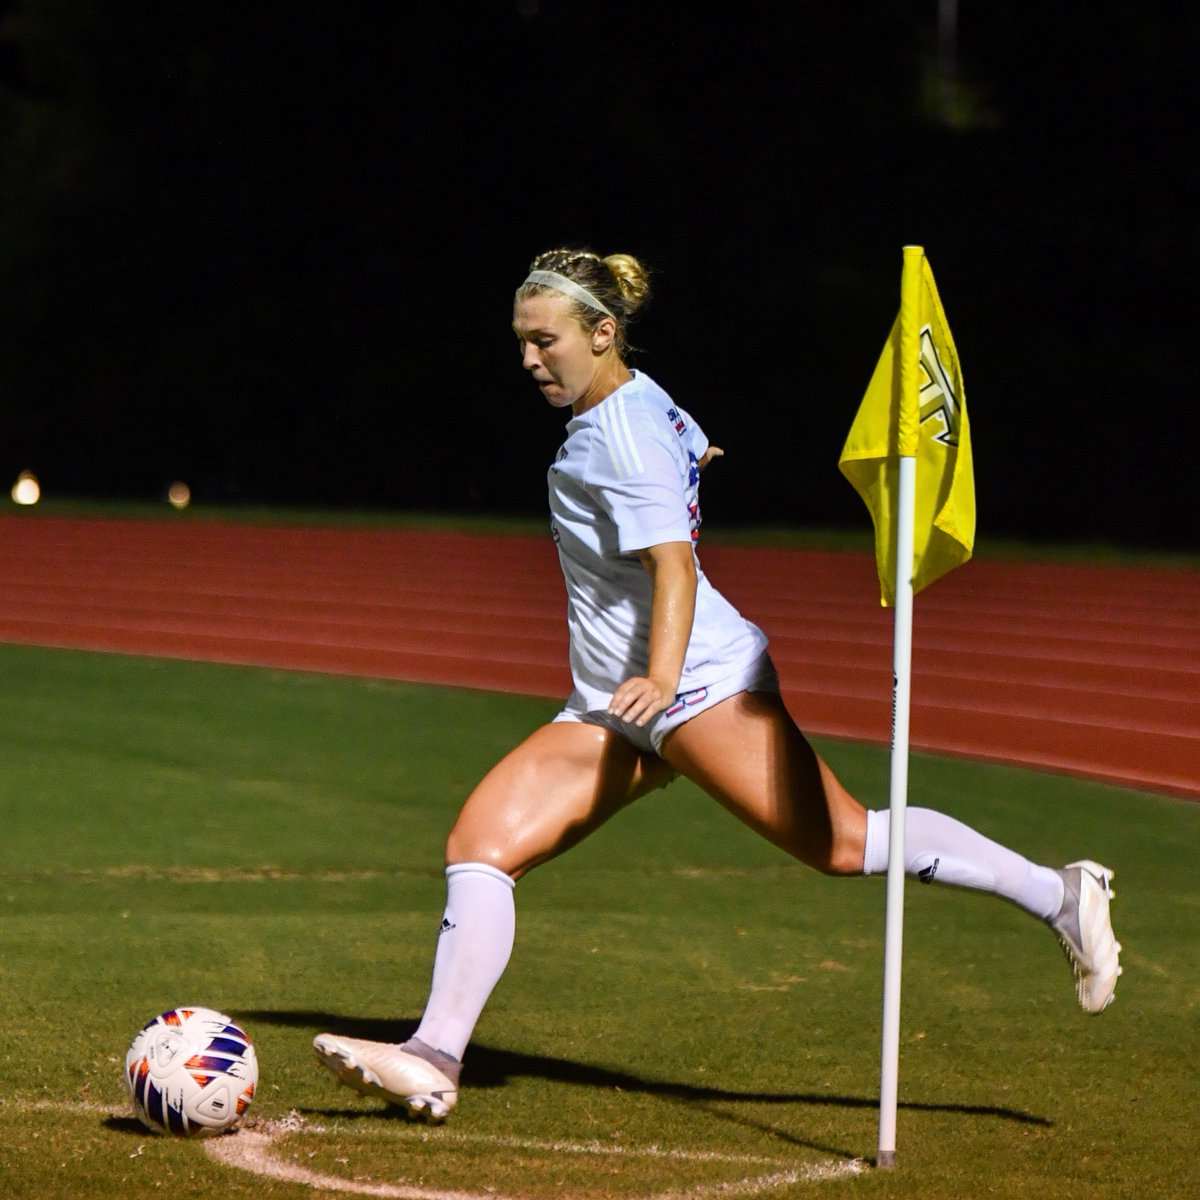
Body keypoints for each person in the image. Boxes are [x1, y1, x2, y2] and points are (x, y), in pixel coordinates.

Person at [313, 248, 1122, 1122]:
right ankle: (434, 1057)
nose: (529, 360)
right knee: (482, 843)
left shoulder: (618, 433)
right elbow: (689, 442)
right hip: (616, 701)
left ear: (602, 333)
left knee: (846, 842)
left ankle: (1062, 894)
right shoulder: (634, 404)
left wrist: (662, 678)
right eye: (521, 342)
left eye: (545, 341)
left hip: (692, 686)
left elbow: (674, 565)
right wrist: (693, 464)